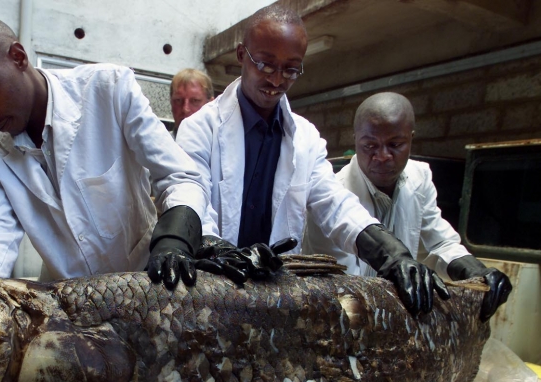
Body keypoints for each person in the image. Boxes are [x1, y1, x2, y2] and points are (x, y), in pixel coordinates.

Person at [175, 4, 450, 317]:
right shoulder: (200, 129)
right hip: (213, 291)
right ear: (242, 55)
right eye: (265, 65)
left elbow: (334, 205)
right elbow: (189, 198)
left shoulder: (305, 137)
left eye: (291, 69)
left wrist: (392, 255)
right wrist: (219, 250)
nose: (277, 80)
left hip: (277, 296)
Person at [0, 11, 213, 287]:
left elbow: (180, 176)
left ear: (18, 57)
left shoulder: (109, 90)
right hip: (69, 299)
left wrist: (174, 239)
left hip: (145, 281)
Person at [304, 92, 512, 321]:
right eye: (369, 145)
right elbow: (342, 282)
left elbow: (439, 242)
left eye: (395, 144)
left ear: (411, 138)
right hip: (345, 317)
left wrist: (474, 271)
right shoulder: (332, 197)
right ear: (355, 140)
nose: (382, 156)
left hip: (394, 319)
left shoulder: (419, 178)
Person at [170, 69, 214, 137]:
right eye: (178, 100)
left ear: (210, 105)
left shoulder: (222, 146)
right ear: (171, 103)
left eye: (195, 101)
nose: (185, 109)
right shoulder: (157, 146)